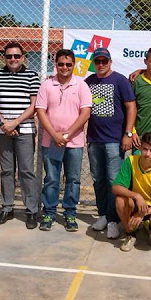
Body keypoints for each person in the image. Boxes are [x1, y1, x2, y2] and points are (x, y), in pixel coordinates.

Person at [36, 49, 92, 232]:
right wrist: (54, 135)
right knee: (51, 179)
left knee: (73, 179)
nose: (64, 67)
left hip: (74, 143)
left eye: (68, 64)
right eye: (61, 64)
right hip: (50, 140)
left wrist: (66, 135)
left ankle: (69, 214)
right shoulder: (46, 85)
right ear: (56, 64)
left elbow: (85, 113)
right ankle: (49, 213)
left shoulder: (81, 85)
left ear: (73, 65)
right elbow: (41, 111)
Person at [0, 42, 41, 229]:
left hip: (24, 130)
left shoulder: (32, 76)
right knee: (7, 170)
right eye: (9, 56)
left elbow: (34, 105)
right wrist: (3, 123)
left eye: (17, 56)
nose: (13, 59)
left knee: (26, 171)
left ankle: (31, 210)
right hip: (2, 131)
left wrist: (15, 122)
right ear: (4, 57)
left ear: (23, 57)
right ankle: (7, 207)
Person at [85, 47, 136, 239]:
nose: (100, 65)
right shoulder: (88, 81)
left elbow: (131, 107)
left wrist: (128, 133)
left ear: (110, 62)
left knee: (114, 181)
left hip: (114, 140)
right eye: (97, 61)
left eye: (104, 61)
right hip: (94, 139)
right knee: (98, 179)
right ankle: (103, 215)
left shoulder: (120, 80)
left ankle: (114, 219)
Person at [112, 132, 151, 251]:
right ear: (140, 148)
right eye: (145, 149)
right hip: (137, 204)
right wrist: (136, 196)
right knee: (120, 200)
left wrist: (143, 213)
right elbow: (116, 187)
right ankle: (130, 233)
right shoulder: (131, 161)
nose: (147, 154)